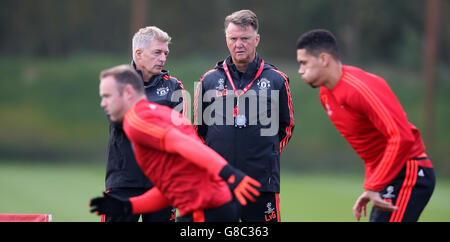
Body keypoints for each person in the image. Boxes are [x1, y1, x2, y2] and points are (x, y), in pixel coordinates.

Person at [295, 29, 435, 222]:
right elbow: (369, 148)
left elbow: (401, 137)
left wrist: (374, 185)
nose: (300, 70)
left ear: (324, 59)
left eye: (304, 63)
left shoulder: (359, 88)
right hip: (388, 177)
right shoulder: (326, 94)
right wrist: (371, 185)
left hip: (409, 173)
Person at [90, 65, 261, 222]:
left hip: (203, 211)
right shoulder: (165, 114)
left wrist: (230, 174)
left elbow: (182, 143)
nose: (102, 103)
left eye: (107, 96)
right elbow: (174, 186)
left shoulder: (135, 121)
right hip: (216, 209)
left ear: (128, 92)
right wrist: (129, 206)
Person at [193, 10, 295, 222]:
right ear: (226, 40)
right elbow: (198, 131)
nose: (239, 44)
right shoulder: (209, 80)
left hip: (261, 183)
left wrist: (268, 154)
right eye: (233, 39)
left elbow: (286, 127)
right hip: (218, 183)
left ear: (256, 39)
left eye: (245, 38)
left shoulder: (277, 80)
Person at [102, 26, 186, 222]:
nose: (163, 58)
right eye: (157, 52)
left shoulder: (173, 86)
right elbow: (119, 121)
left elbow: (177, 131)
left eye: (165, 53)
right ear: (138, 53)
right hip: (123, 183)